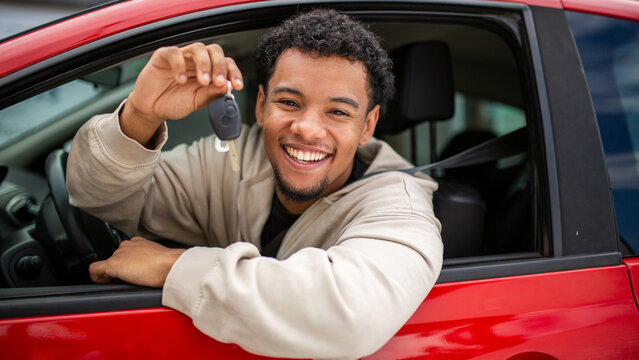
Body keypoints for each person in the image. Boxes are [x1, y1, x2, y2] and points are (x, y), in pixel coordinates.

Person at [67, 8, 443, 360]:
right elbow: (99, 196)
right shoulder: (230, 157)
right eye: (290, 102)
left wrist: (173, 266)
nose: (307, 128)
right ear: (261, 105)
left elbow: (352, 316)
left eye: (338, 112)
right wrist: (140, 113)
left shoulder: (399, 205)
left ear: (368, 126)